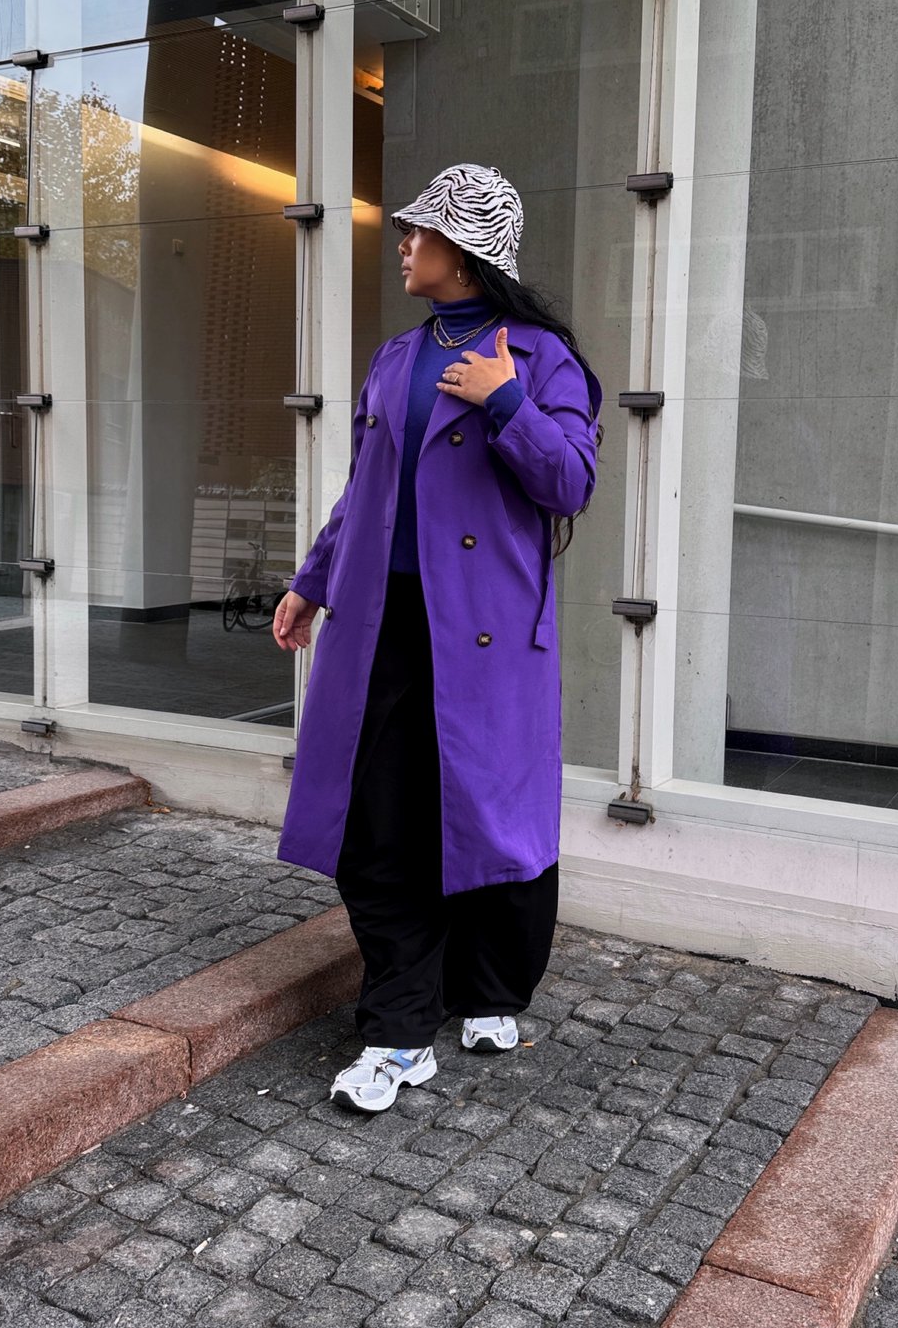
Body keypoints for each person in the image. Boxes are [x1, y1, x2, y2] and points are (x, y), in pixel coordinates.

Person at [272, 162, 602, 1113]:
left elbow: (571, 482)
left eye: (420, 231)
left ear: (464, 251)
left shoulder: (539, 357)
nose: (404, 244)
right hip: (381, 628)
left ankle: (491, 986)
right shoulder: (394, 359)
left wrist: (507, 401)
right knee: (374, 823)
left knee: (488, 819)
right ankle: (400, 1029)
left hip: (488, 639)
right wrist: (310, 581)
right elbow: (363, 494)